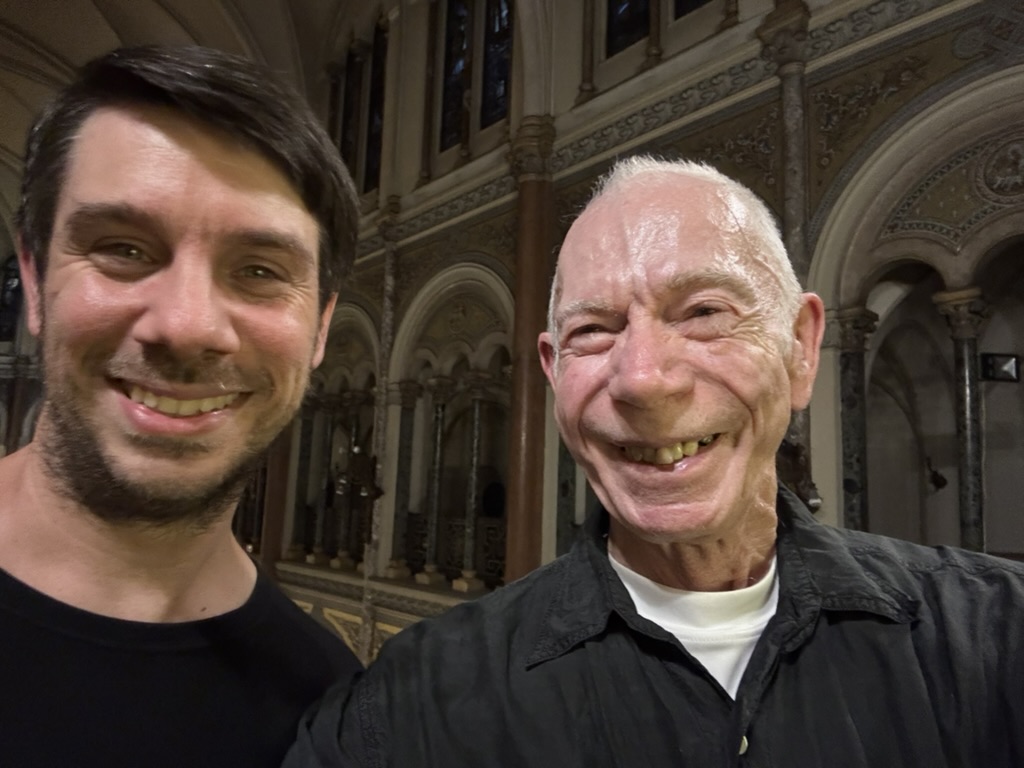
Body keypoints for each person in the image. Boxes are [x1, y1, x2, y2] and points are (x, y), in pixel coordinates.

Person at [285, 157, 1024, 767]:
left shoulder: (995, 640)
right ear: (552, 373)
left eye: (703, 312)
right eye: (595, 331)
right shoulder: (411, 706)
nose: (642, 379)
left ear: (801, 347)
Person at [0, 45, 361, 767]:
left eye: (259, 271)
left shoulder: (330, 716)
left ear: (319, 329)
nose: (189, 325)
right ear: (34, 284)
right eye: (125, 250)